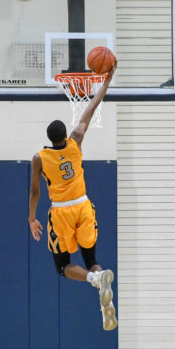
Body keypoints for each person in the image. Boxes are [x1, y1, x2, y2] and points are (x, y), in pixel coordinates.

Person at [28, 64, 118, 331]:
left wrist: (32, 219)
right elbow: (90, 107)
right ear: (65, 135)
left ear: (48, 138)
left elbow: (35, 191)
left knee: (63, 266)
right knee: (91, 259)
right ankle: (102, 292)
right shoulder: (76, 140)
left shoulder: (39, 158)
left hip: (61, 212)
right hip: (83, 206)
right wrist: (106, 82)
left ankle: (93, 279)